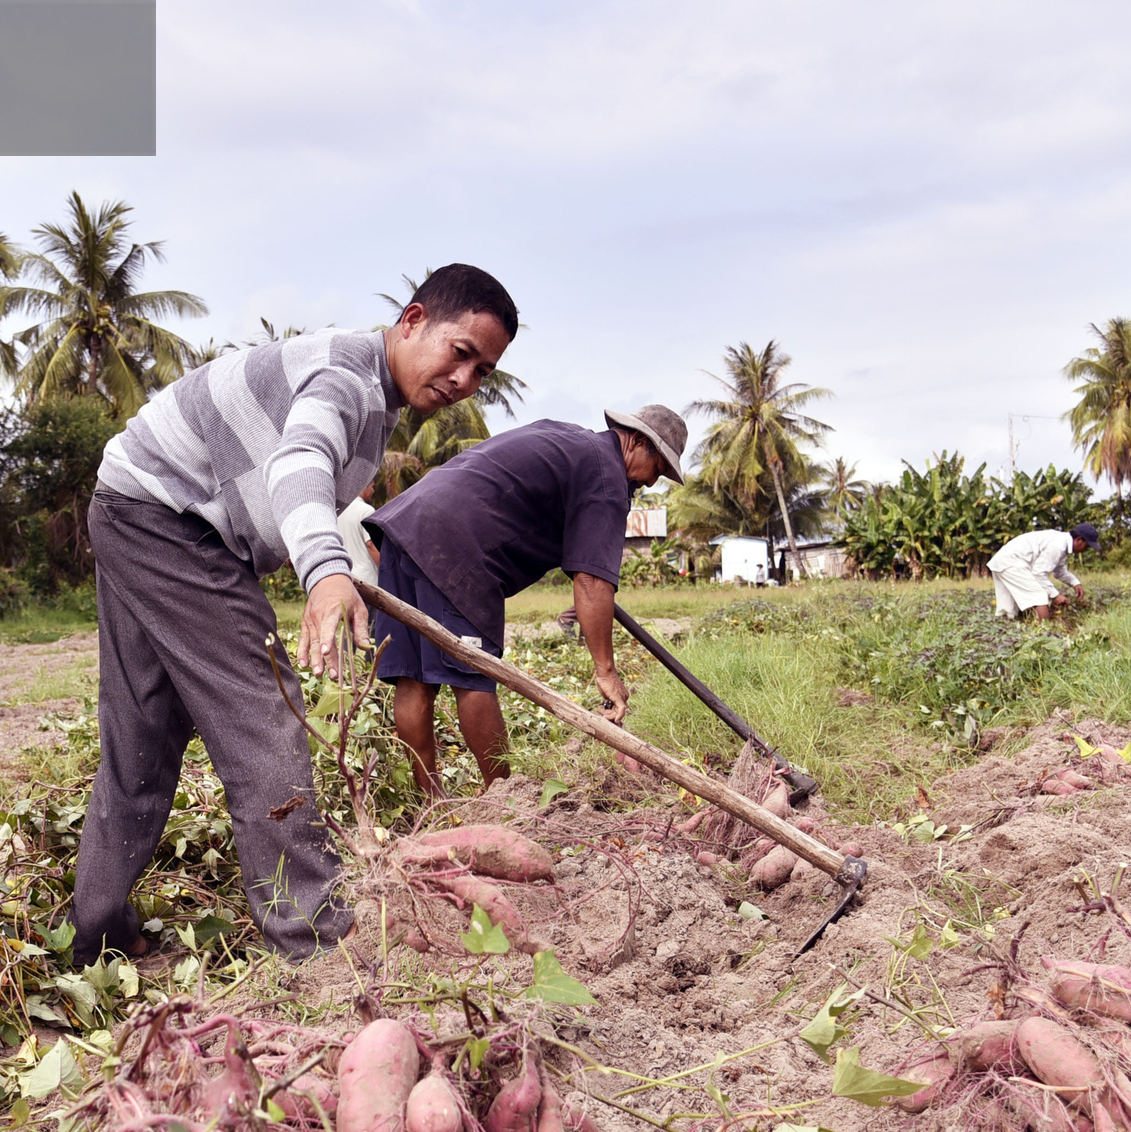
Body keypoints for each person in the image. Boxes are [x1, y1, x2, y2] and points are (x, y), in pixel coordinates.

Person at [69, 264, 519, 964]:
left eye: (482, 371)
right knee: (263, 713)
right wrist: (326, 571)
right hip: (166, 519)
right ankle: (313, 942)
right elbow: (299, 460)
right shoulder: (347, 377)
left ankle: (94, 934)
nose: (465, 380)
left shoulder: (378, 398)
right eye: (460, 352)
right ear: (412, 320)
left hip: (131, 504)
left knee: (143, 731)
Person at [365, 405, 687, 796]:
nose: (652, 483)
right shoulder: (606, 477)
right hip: (457, 547)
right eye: (658, 469)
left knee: (412, 680)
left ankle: (430, 802)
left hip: (406, 525)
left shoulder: (570, 438)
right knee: (474, 675)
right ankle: (505, 801)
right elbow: (591, 583)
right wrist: (606, 670)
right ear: (638, 442)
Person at [988, 523, 1098, 620]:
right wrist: (1055, 595)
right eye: (1086, 546)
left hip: (1003, 560)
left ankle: (1007, 634)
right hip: (1011, 561)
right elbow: (1038, 573)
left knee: (1009, 610)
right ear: (1079, 540)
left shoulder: (1062, 543)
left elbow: (1059, 570)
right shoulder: (1058, 545)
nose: (1085, 550)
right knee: (1040, 597)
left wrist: (1075, 583)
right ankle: (1045, 634)